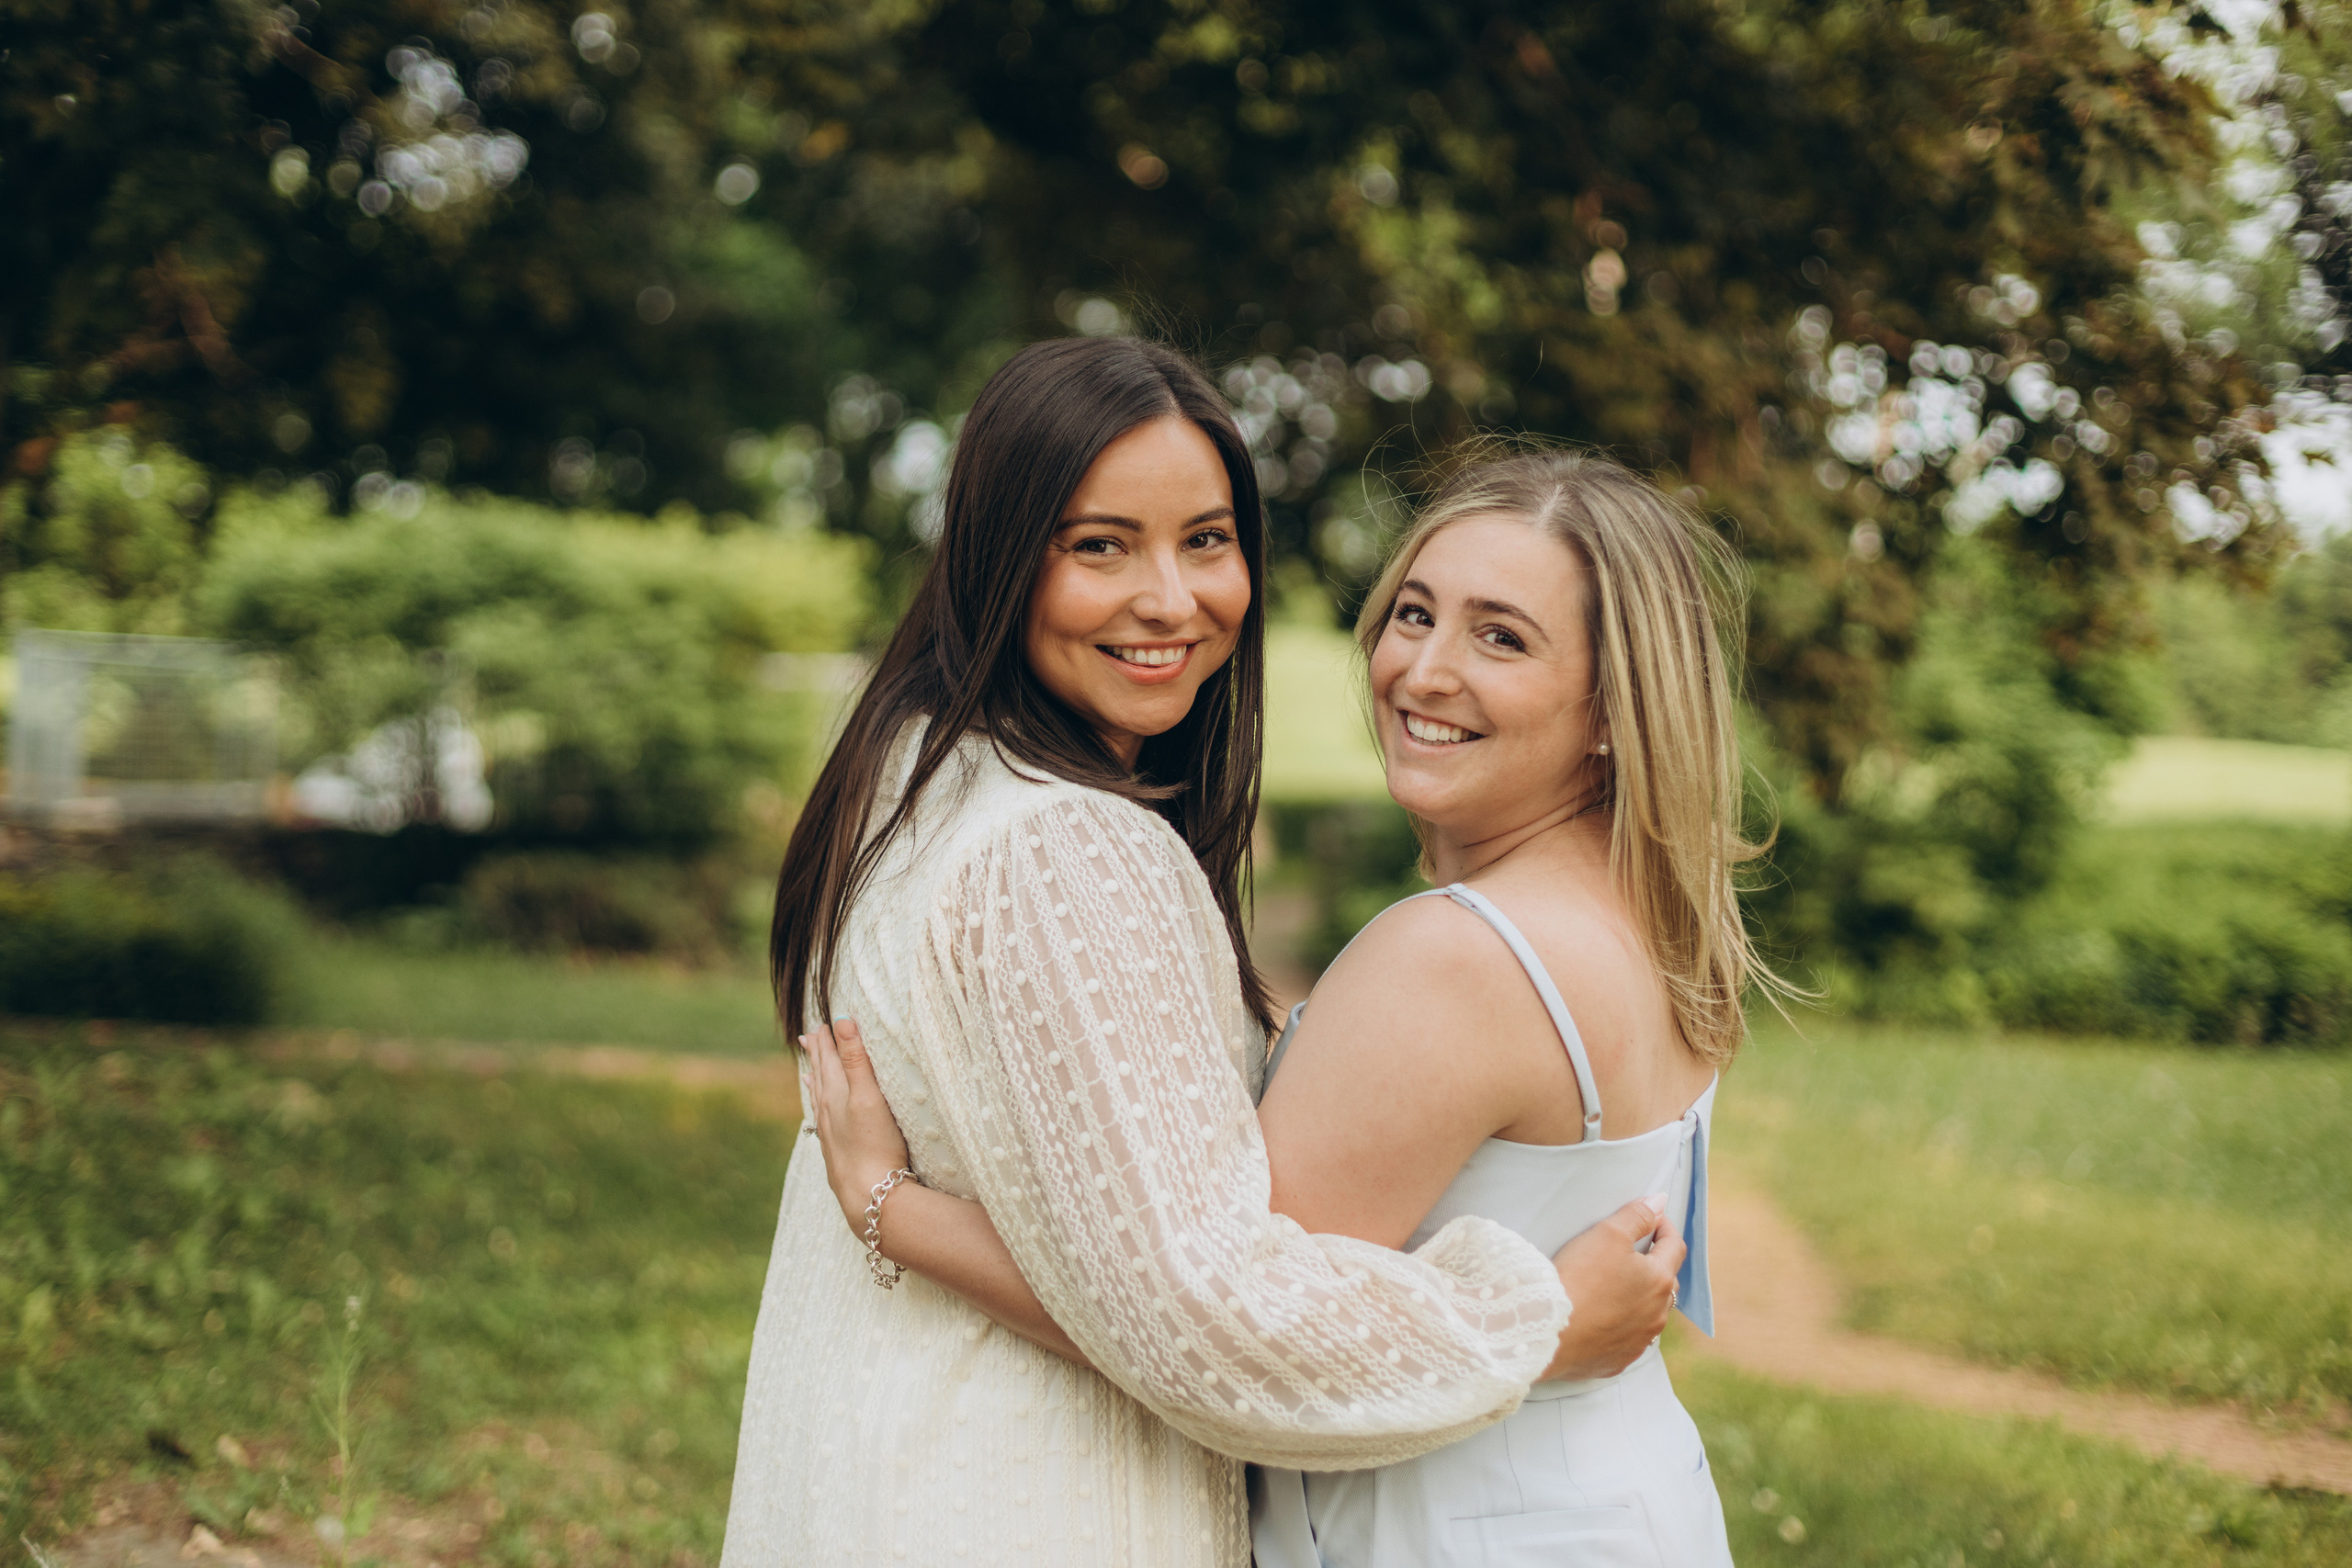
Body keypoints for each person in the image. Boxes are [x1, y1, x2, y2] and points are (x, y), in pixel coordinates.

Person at [721, 339, 1683, 1568]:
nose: (1170, 599)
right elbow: (1199, 1317)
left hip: (880, 1455)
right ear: (1001, 559)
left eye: (1207, 541)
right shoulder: (1070, 849)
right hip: (1024, 1495)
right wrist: (1533, 1329)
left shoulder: (913, 771)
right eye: (1099, 545)